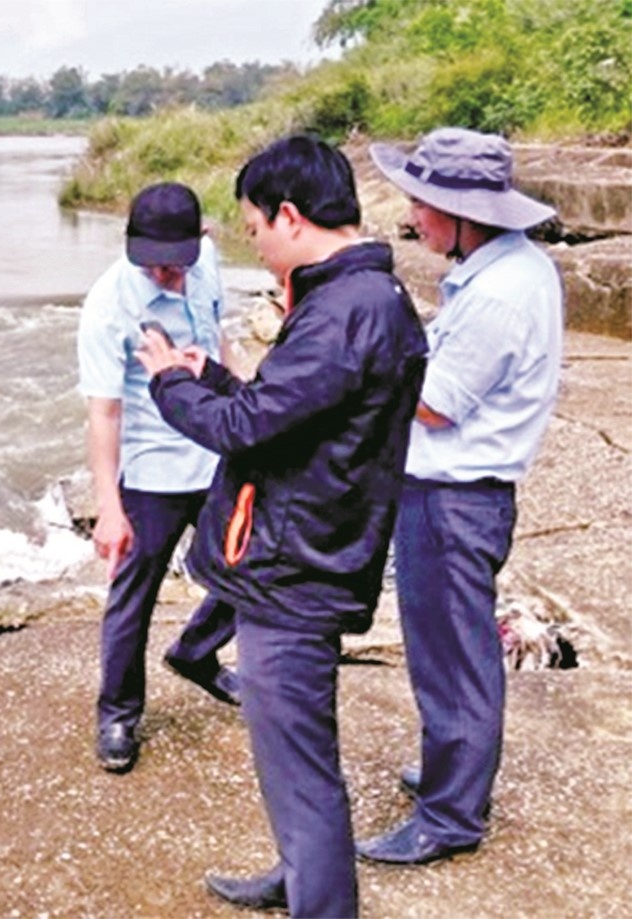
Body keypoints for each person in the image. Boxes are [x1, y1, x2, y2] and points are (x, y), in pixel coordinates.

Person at [135, 135, 428, 917]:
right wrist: (215, 376)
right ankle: (300, 873)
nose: (255, 249)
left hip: (298, 570)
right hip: (307, 549)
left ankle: (319, 898)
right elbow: (293, 415)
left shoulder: (343, 313)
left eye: (255, 230)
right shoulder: (356, 300)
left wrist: (170, 383)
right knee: (291, 755)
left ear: (290, 216)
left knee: (300, 762)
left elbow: (249, 428)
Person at [355, 128, 563, 866]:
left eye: (423, 203)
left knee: (455, 659)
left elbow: (436, 404)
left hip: (454, 497)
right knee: (443, 650)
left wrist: (367, 355)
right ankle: (450, 776)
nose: (413, 216)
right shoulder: (502, 269)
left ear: (464, 213)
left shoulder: (499, 295)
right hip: (456, 494)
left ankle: (450, 816)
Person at [76, 182, 240, 775]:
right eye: (156, 266)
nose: (168, 276)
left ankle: (196, 652)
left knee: (257, 563)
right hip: (151, 468)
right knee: (133, 595)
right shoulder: (108, 305)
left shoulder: (207, 263)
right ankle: (118, 713)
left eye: (179, 263)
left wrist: (248, 412)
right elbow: (104, 411)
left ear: (200, 242)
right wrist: (108, 506)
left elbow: (219, 338)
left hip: (217, 445)